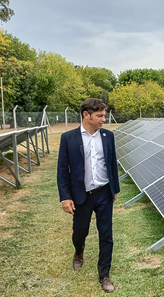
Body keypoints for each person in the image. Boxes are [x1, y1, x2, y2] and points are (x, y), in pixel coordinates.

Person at [57, 98, 120, 293]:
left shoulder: (108, 136)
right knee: (80, 231)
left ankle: (104, 275)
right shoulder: (68, 138)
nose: (104, 119)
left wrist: (114, 189)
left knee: (106, 234)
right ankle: (79, 251)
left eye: (104, 115)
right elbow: (62, 170)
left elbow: (112, 164)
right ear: (86, 115)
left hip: (104, 193)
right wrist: (65, 197)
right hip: (81, 195)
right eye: (100, 116)